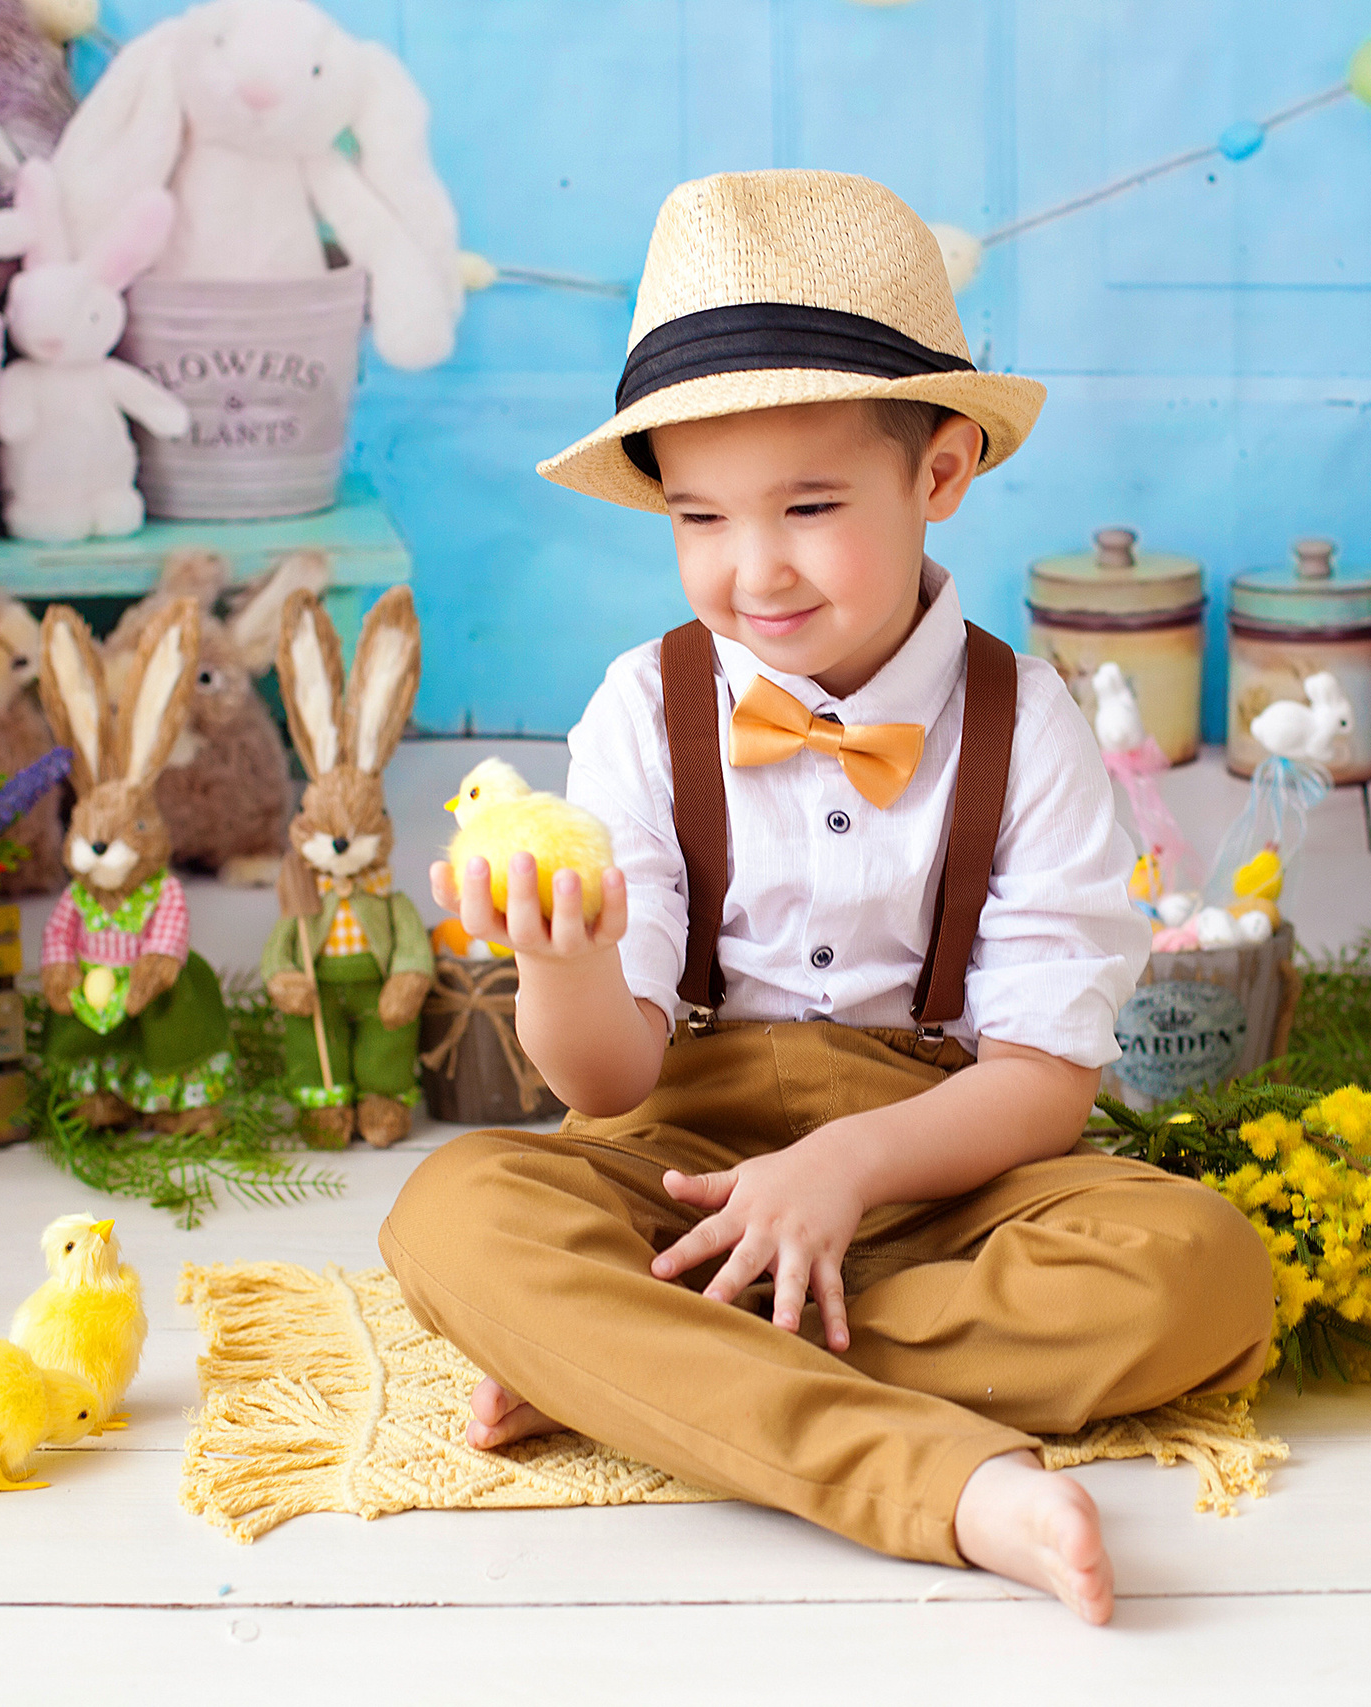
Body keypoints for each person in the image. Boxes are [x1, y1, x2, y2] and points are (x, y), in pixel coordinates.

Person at [379, 169, 1273, 1624]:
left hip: (943, 1172)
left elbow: (1043, 1085)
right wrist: (564, 955)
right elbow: (608, 1080)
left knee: (1201, 1273)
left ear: (940, 474)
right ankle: (947, 1486)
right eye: (700, 519)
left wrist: (848, 1173)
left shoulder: (1030, 723)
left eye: (807, 505)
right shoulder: (639, 708)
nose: (753, 570)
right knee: (454, 1208)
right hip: (680, 1162)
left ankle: (632, 1364)